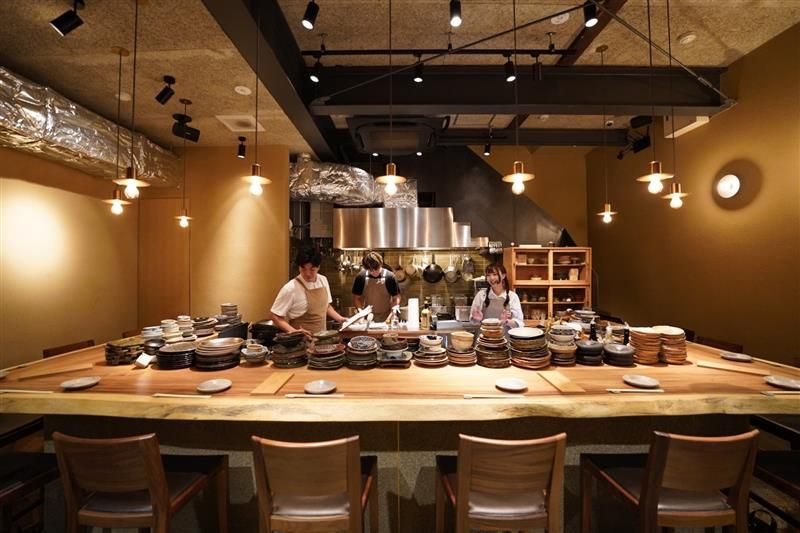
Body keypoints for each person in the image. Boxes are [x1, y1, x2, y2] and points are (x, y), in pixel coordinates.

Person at [271, 247, 347, 337]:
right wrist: (294, 332)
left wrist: (340, 319)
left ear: (318, 267)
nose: (307, 274)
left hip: (322, 338)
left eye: (312, 269)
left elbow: (326, 306)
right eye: (303, 269)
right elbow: (275, 316)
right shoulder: (290, 288)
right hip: (301, 341)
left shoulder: (323, 280)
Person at [470, 263, 524, 329]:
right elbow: (473, 321)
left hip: (505, 335)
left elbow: (519, 323)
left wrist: (506, 321)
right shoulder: (481, 295)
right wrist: (476, 319)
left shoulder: (512, 296)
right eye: (488, 275)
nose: (491, 278)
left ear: (503, 276)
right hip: (484, 335)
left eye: (495, 274)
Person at [351, 251, 401, 322]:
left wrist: (393, 311)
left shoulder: (390, 277)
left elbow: (396, 297)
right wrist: (360, 312)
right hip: (367, 318)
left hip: (386, 317)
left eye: (376, 269)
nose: (374, 272)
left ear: (380, 264)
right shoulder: (361, 277)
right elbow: (356, 298)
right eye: (370, 270)